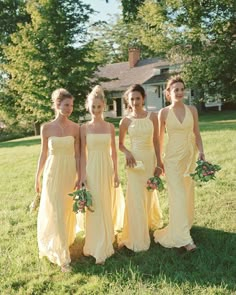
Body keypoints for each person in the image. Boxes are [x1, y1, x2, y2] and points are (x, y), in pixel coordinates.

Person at [153, 75, 205, 252]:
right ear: (168, 93)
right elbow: (159, 139)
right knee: (178, 196)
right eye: (176, 89)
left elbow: (197, 133)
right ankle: (185, 240)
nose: (180, 92)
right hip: (172, 159)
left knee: (187, 193)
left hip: (189, 158)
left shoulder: (192, 110)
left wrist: (202, 152)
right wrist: (159, 161)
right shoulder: (164, 113)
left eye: (182, 89)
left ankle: (183, 226)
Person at [35, 88, 80, 272]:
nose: (69, 109)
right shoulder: (46, 128)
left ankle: (65, 239)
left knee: (67, 209)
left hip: (70, 173)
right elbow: (43, 154)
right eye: (66, 105)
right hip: (52, 173)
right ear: (57, 105)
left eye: (71, 105)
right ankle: (62, 257)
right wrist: (37, 177)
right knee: (56, 210)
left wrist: (81, 176)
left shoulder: (76, 128)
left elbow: (78, 155)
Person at [79, 85, 124, 264]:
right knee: (94, 205)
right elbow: (82, 154)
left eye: (99, 107)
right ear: (88, 107)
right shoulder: (84, 128)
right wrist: (82, 175)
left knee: (105, 203)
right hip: (91, 169)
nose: (96, 110)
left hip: (106, 168)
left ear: (104, 106)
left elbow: (114, 152)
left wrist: (116, 174)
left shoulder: (109, 127)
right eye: (93, 107)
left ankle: (105, 242)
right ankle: (93, 244)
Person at [118, 84, 163, 252]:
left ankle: (146, 223)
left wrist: (159, 163)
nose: (135, 101)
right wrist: (128, 152)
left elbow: (157, 142)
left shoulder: (153, 117)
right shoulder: (125, 121)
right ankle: (136, 235)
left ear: (143, 98)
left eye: (138, 98)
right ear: (128, 101)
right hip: (134, 164)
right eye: (132, 99)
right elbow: (120, 145)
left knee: (148, 194)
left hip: (150, 160)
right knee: (135, 198)